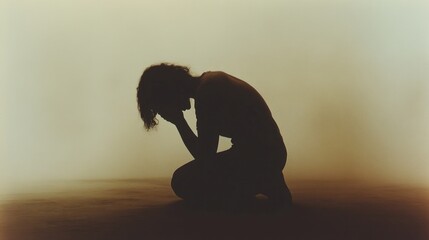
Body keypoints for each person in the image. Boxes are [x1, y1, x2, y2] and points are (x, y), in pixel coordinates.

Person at [137, 63, 292, 209]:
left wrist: (179, 121)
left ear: (168, 93)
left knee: (182, 182)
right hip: (268, 154)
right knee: (189, 179)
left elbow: (205, 157)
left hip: (260, 158)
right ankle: (266, 181)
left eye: (161, 105)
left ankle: (263, 182)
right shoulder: (210, 83)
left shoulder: (208, 92)